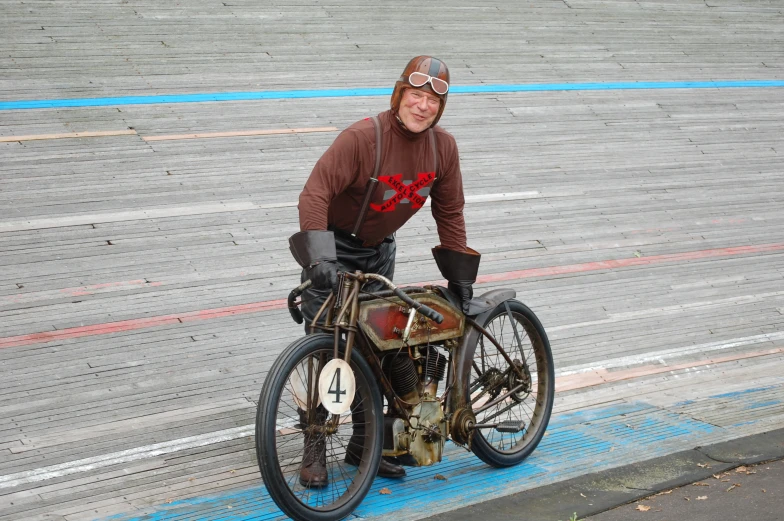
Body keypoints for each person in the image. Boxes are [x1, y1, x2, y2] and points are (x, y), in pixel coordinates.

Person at [288, 56, 481, 487]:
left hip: (377, 253)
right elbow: (314, 193)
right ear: (400, 95)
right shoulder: (362, 138)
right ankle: (316, 443)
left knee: (382, 349)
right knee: (328, 349)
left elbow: (450, 212)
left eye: (433, 100)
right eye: (416, 95)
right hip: (333, 249)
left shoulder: (442, 148)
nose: (423, 106)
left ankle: (365, 444)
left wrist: (460, 277)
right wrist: (319, 259)